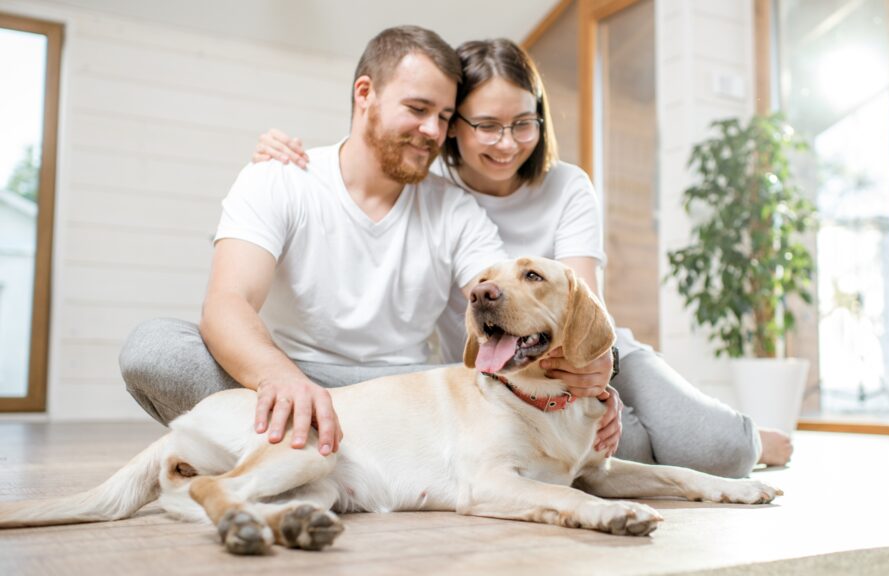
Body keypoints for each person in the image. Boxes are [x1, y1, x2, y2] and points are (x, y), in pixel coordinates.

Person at [252, 39, 792, 476]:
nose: (507, 144)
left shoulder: (567, 187)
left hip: (590, 348)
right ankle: (662, 439)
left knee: (717, 451)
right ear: (453, 126)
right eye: (485, 124)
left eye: (523, 123)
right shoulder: (429, 187)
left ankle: (747, 436)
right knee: (599, 458)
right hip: (504, 370)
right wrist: (282, 154)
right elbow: (369, 156)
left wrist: (598, 383)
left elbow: (583, 302)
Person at [120, 26, 617, 463]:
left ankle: (309, 454)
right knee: (156, 348)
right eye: (418, 109)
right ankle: (322, 444)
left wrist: (577, 381)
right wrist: (282, 380)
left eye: (444, 116)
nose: (432, 131)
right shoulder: (280, 178)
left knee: (577, 433)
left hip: (410, 394)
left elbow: (503, 298)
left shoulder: (455, 207)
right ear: (365, 94)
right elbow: (228, 303)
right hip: (301, 378)